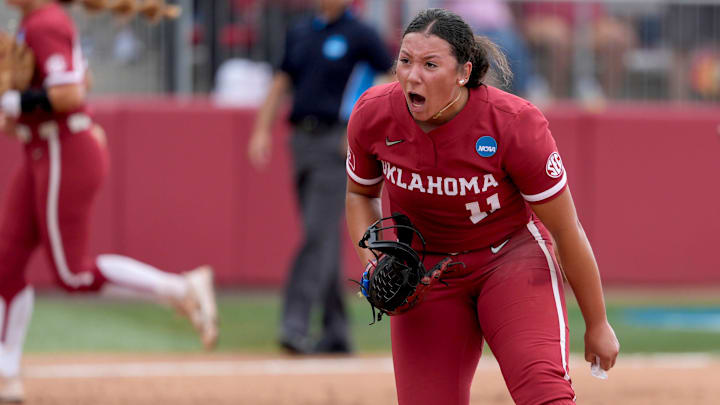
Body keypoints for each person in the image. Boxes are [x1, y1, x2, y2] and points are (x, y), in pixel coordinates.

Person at [345, 8, 619, 405]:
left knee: (544, 392)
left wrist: (597, 323)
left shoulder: (514, 123)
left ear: (463, 72)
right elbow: (360, 194)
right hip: (425, 272)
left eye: (430, 64)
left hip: (509, 258)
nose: (412, 75)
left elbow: (565, 229)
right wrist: (373, 262)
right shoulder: (373, 113)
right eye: (405, 61)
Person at [0, 0, 218, 401]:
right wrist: (17, 111)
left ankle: (180, 288)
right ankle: (6, 371)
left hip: (62, 150)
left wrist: (12, 103)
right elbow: (81, 81)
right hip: (44, 149)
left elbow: (67, 93)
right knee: (6, 260)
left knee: (73, 274)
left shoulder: (45, 22)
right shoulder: (36, 22)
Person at [247, 0, 393, 354]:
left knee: (316, 234)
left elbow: (390, 77)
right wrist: (261, 130)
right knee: (321, 239)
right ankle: (337, 331)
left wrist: (358, 127)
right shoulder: (299, 32)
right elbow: (282, 80)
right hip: (301, 140)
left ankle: (294, 323)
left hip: (336, 143)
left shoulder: (360, 34)